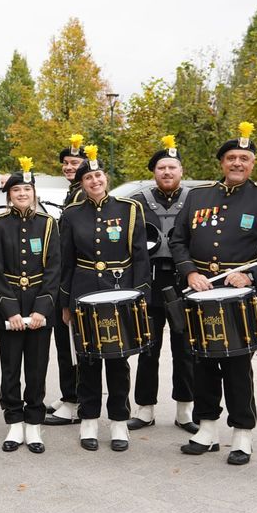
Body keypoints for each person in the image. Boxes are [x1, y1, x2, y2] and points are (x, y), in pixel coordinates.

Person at [169, 121, 257, 466]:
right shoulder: (199, 196)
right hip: (200, 291)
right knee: (201, 362)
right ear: (222, 163)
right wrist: (190, 270)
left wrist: (253, 276)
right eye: (231, 157)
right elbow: (177, 240)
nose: (237, 163)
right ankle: (206, 428)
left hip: (238, 294)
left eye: (243, 158)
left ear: (252, 164)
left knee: (236, 367)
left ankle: (243, 434)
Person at [59, 146, 151, 451]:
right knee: (86, 360)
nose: (94, 181)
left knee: (118, 360)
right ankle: (88, 420)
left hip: (119, 291)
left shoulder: (129, 209)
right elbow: (66, 261)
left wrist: (140, 297)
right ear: (82, 183)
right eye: (88, 177)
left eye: (98, 175)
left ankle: (119, 422)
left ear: (106, 178)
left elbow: (140, 257)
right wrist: (66, 303)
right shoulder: (72, 214)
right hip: (84, 292)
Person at [0, 157, 60, 454]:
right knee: (11, 367)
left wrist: (42, 309)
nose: (22, 194)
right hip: (11, 305)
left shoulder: (48, 224)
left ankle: (34, 424)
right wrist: (11, 310)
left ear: (34, 193)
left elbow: (55, 267)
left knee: (37, 367)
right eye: (17, 190)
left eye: (27, 189)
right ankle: (14, 422)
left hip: (40, 304)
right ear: (9, 195)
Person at [129, 135, 197, 434]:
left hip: (185, 279)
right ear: (153, 172)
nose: (167, 172)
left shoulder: (196, 199)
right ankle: (145, 410)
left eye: (172, 167)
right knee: (147, 346)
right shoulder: (138, 202)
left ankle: (185, 411)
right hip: (150, 280)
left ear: (182, 171)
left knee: (186, 349)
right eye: (161, 168)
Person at [46, 134, 88, 426]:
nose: (69, 166)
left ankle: (74, 401)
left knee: (71, 342)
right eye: (66, 163)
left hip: (75, 277)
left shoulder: (81, 195)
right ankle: (69, 394)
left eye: (75, 162)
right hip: (66, 273)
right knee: (65, 342)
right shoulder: (73, 192)